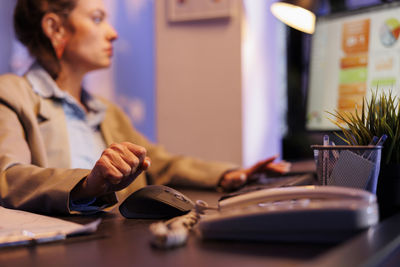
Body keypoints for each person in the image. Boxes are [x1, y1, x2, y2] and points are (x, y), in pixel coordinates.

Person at [0, 0, 290, 215]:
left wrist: (228, 175)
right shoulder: (12, 93)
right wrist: (88, 184)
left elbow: (161, 164)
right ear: (54, 27)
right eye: (98, 19)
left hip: (113, 241)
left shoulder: (105, 111)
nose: (112, 33)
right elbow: (8, 177)